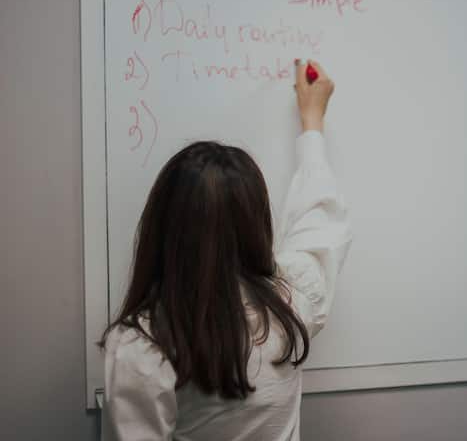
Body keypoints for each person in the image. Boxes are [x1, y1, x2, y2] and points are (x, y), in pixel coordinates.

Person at [100, 60, 352, 440]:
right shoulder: (290, 305)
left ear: (163, 225)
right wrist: (312, 123)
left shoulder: (143, 346)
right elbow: (319, 226)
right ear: (255, 226)